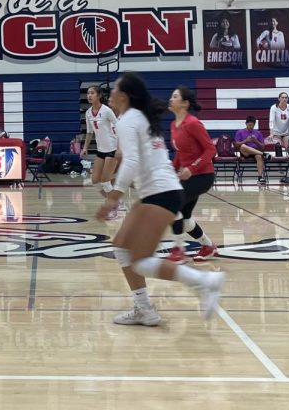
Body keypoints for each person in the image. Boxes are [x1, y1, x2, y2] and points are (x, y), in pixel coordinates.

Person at [94, 73, 224, 326]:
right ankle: (144, 309)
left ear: (125, 95)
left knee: (140, 260)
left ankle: (206, 282)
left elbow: (131, 160)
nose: (110, 93)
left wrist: (113, 197)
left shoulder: (129, 119)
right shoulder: (135, 118)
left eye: (115, 89)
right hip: (158, 191)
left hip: (161, 192)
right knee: (121, 247)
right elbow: (130, 155)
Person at [166, 86, 219, 262]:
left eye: (175, 96)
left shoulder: (193, 123)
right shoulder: (174, 125)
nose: (171, 99)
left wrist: (192, 168)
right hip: (188, 176)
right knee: (185, 218)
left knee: (172, 206)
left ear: (184, 103)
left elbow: (211, 149)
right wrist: (172, 171)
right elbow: (181, 153)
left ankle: (178, 250)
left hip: (203, 176)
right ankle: (208, 246)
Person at [81, 85, 119, 199]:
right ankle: (112, 201)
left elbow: (119, 126)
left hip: (112, 148)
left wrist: (121, 147)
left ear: (99, 95)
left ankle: (115, 205)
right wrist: (85, 148)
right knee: (95, 182)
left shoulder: (107, 111)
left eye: (92, 93)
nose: (89, 95)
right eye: (88, 93)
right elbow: (89, 132)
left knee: (105, 181)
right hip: (101, 150)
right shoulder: (88, 113)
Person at [234, 116, 269, 183]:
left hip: (255, 151)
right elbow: (236, 145)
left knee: (259, 156)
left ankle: (260, 177)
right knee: (243, 146)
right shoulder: (240, 132)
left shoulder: (258, 133)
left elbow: (262, 147)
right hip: (245, 152)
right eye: (249, 125)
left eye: (252, 125)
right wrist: (246, 140)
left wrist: (256, 141)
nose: (251, 127)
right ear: (246, 124)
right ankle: (264, 154)